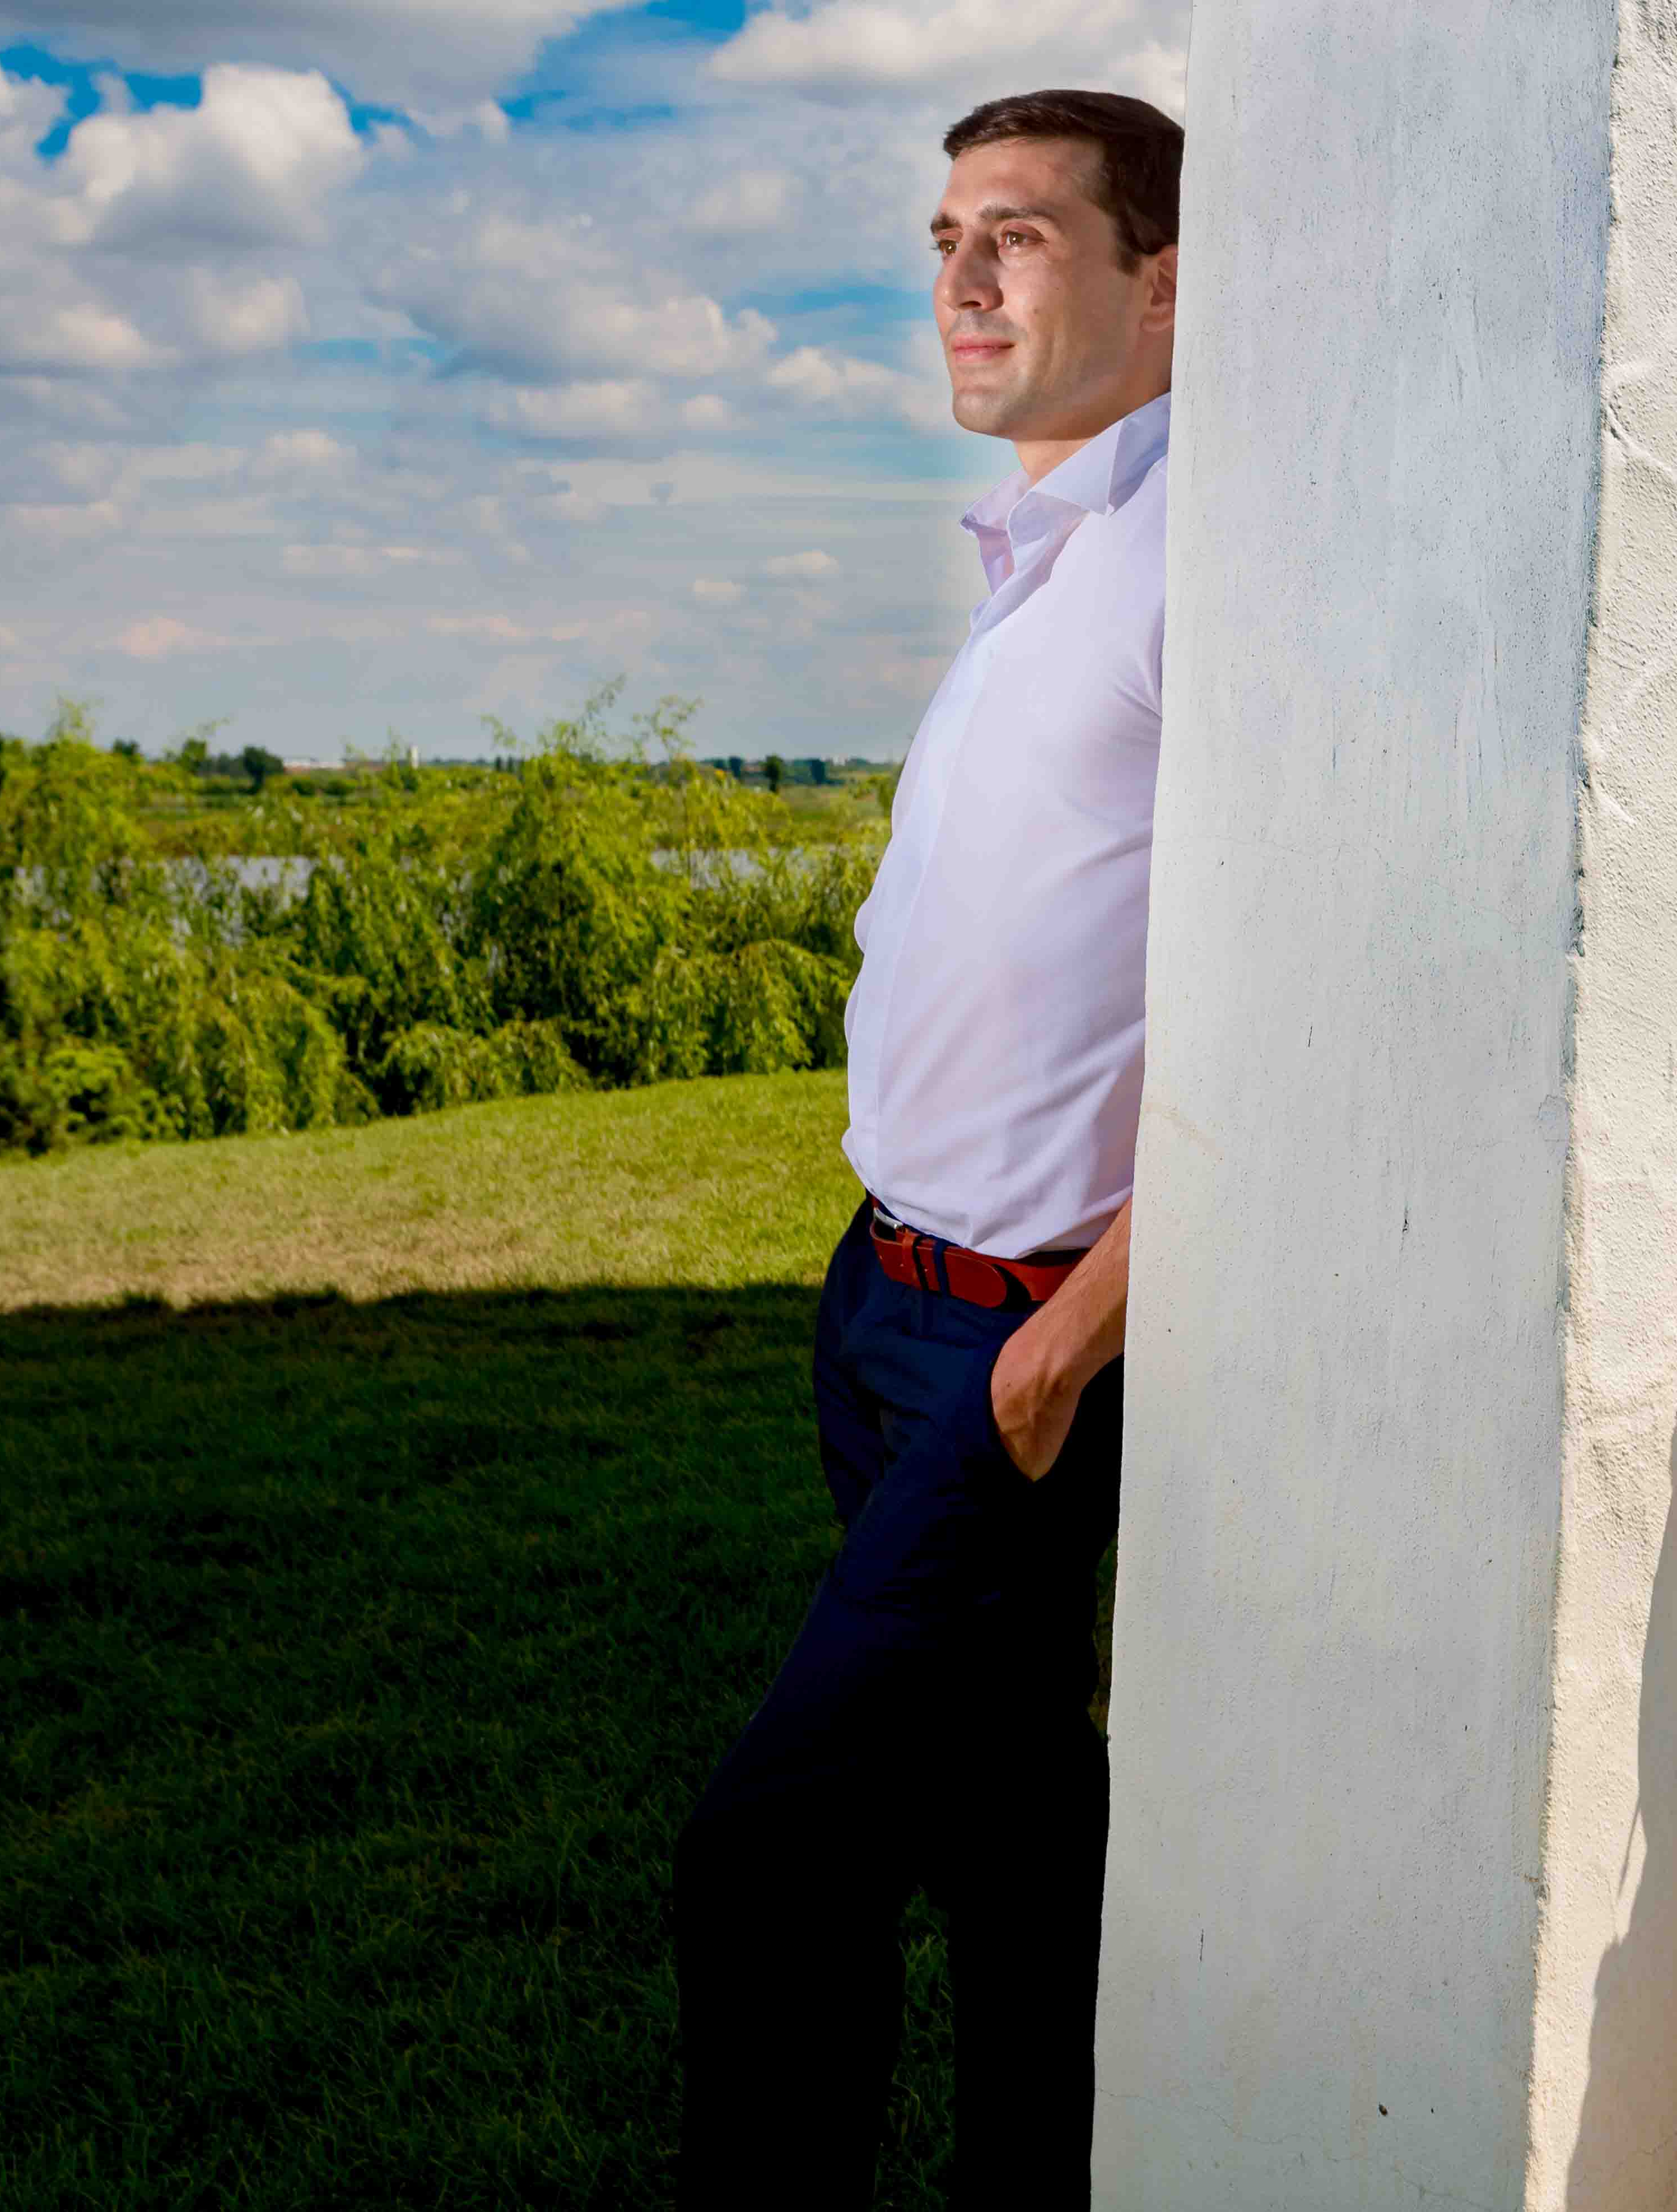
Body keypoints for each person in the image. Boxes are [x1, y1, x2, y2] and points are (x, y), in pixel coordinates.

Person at [672, 87, 1180, 2208]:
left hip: (1021, 1346)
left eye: (1028, 237)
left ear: (1166, 281)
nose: (965, 280)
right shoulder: (1043, 548)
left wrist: (1074, 1334)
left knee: (774, 1845)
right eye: (947, 235)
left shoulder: (1199, 564)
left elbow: (1306, 995)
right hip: (885, 1298)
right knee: (1009, 1832)